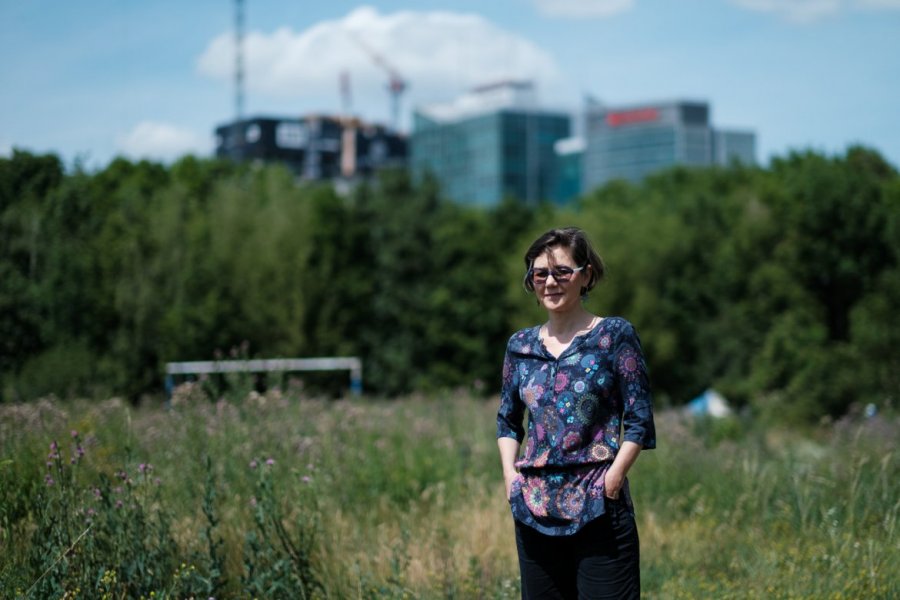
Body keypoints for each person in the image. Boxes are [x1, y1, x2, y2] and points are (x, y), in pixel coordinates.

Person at [497, 226, 656, 599]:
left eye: (561, 272)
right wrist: (510, 477)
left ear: (585, 275)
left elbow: (639, 417)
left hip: (599, 506)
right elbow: (508, 420)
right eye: (540, 274)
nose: (550, 282)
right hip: (533, 508)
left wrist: (614, 477)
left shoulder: (614, 335)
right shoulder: (519, 346)